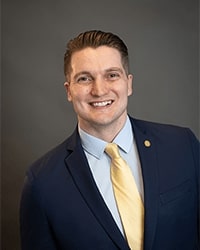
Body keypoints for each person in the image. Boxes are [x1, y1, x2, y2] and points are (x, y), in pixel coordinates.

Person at [20, 30, 199, 250]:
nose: (100, 90)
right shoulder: (42, 183)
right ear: (69, 91)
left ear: (128, 83)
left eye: (112, 75)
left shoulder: (182, 146)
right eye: (84, 78)